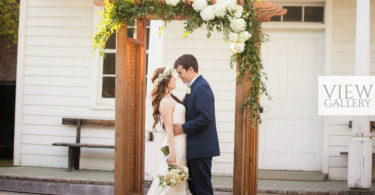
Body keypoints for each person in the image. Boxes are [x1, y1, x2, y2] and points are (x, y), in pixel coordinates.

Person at [173, 54, 220, 195]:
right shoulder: (194, 87)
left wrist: (183, 128)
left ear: (191, 69)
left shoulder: (202, 87)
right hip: (195, 149)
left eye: (180, 72)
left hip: (201, 148)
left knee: (202, 190)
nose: (179, 76)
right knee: (195, 189)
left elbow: (205, 118)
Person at [147, 66, 188, 195]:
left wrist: (188, 93)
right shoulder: (165, 102)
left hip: (182, 143)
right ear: (165, 81)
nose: (175, 78)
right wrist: (172, 153)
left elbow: (179, 111)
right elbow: (169, 129)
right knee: (168, 184)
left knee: (177, 184)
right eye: (172, 77)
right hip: (174, 146)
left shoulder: (172, 99)